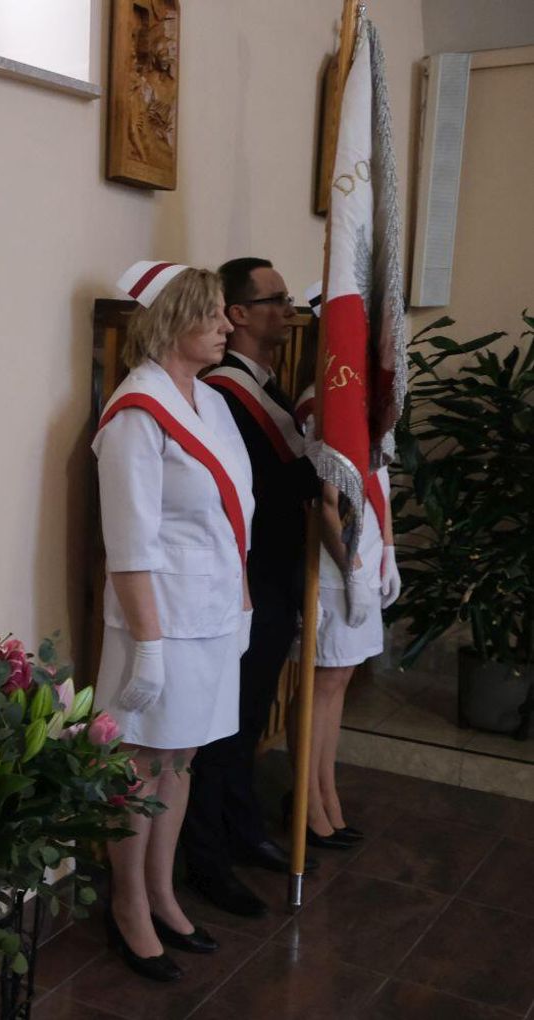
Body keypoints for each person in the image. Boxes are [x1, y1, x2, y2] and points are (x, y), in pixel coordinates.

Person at [93, 261, 253, 982]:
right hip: (158, 623)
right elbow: (129, 544)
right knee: (139, 764)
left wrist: (241, 606)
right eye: (211, 313)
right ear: (171, 320)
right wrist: (148, 649)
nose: (225, 326)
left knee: (181, 758)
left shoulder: (210, 401)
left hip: (212, 614)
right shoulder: (135, 413)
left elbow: (234, 516)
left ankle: (162, 891)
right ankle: (128, 903)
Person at [180, 258, 319, 919]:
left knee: (249, 715)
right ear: (237, 314)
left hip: (270, 576)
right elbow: (260, 490)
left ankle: (241, 828)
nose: (289, 310)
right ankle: (206, 857)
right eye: (276, 299)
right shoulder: (225, 391)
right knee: (222, 726)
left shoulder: (263, 385)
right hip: (244, 579)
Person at [292, 386, 400, 849]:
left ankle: (326, 788)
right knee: (322, 681)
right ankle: (306, 800)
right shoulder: (327, 396)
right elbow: (325, 501)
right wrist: (352, 572)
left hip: (367, 556)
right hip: (336, 565)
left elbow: (380, 481)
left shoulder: (364, 397)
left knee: (341, 680)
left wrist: (389, 550)